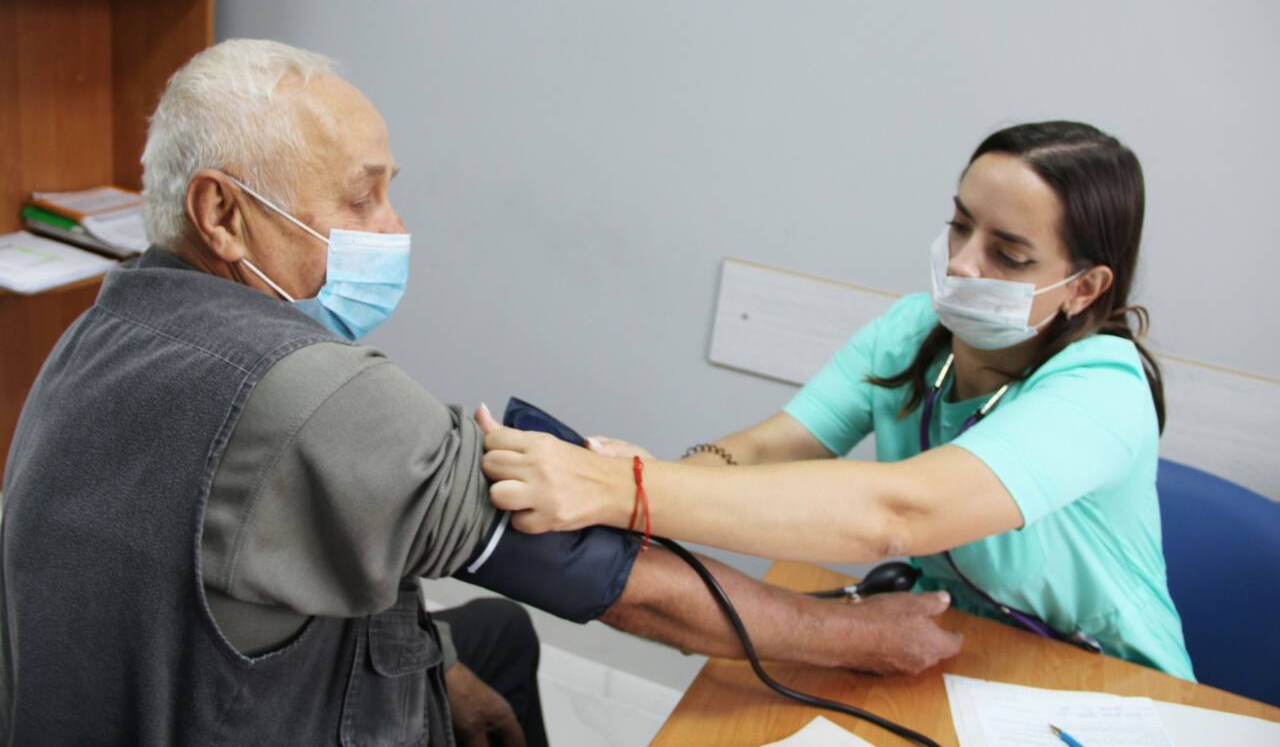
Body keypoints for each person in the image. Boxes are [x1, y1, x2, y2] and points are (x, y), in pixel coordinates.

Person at [0, 39, 962, 747]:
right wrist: (852, 634)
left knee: (490, 635)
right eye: (361, 197)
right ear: (222, 212)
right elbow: (622, 588)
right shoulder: (313, 395)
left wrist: (440, 670)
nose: (393, 226)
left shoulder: (103, 328)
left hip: (129, 699)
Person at [480, 121, 1196, 680]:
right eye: (960, 224)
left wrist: (628, 491)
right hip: (956, 642)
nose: (960, 262)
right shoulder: (913, 331)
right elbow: (773, 445)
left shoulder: (1103, 388)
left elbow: (899, 513)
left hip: (1110, 682)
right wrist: (659, 476)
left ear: (1084, 288)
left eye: (1007, 254)